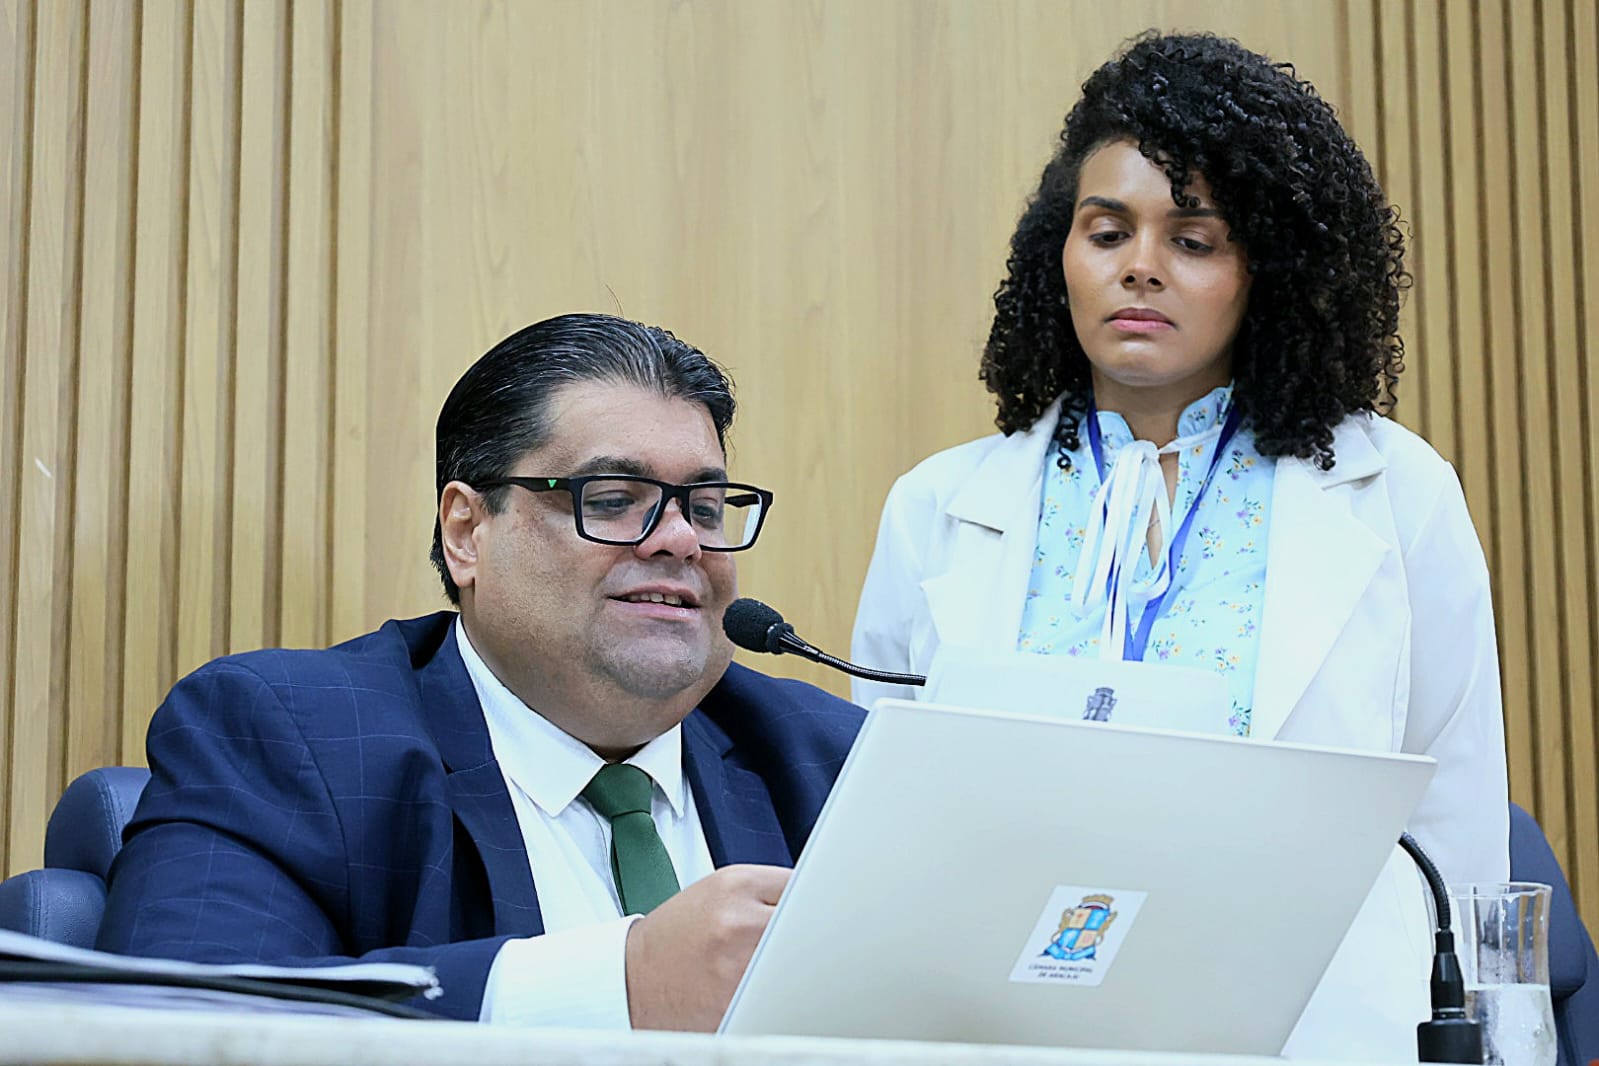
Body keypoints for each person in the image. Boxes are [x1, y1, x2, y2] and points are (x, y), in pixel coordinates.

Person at [851, 32, 1508, 1059]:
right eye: (1107, 232)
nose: (1139, 268)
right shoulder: (935, 507)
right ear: (1059, 253)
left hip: (1312, 1028)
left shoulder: (1397, 492)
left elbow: (1455, 821)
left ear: (1265, 270)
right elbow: (884, 828)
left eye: (1193, 241)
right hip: (1008, 1028)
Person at [97, 313, 863, 1029]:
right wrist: (616, 987)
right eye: (612, 499)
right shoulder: (289, 735)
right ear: (466, 531)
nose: (679, 540)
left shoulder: (835, 761)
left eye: (703, 508)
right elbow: (181, 1017)